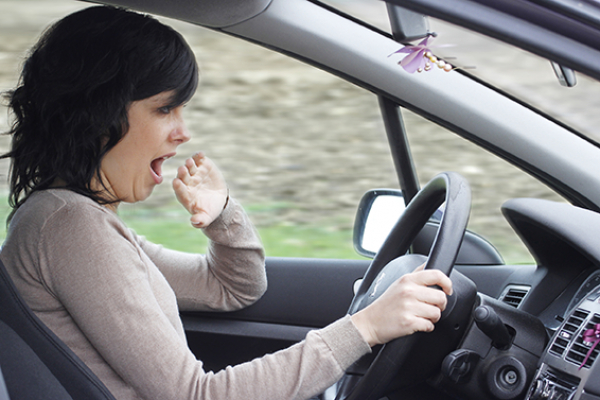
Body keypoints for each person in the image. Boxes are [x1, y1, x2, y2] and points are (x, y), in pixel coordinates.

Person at [0, 6, 453, 400]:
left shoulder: (80, 222)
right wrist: (365, 330)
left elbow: (234, 289)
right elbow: (194, 394)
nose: (183, 132)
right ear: (98, 114)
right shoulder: (69, 227)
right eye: (165, 110)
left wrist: (223, 216)